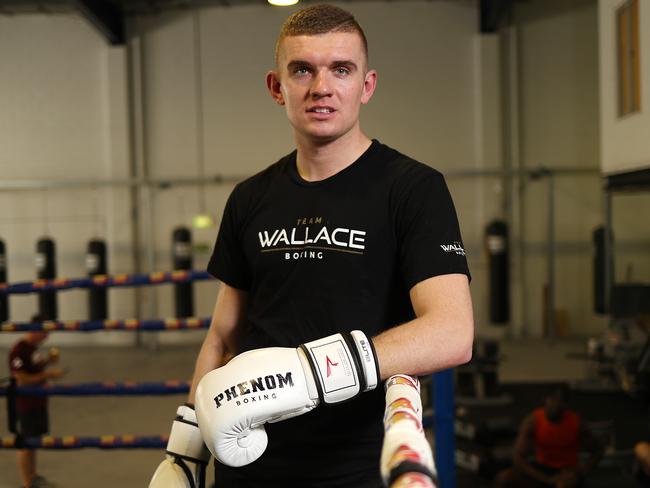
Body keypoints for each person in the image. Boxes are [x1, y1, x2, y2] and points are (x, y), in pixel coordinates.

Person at [149, 4, 473, 487]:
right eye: (302, 69)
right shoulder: (251, 196)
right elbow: (222, 337)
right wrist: (187, 450)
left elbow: (452, 331)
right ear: (277, 87)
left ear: (367, 85)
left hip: (355, 466)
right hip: (249, 460)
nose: (321, 87)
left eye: (341, 69)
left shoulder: (412, 189)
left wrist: (310, 372)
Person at [495, 386, 603, 488]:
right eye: (552, 400)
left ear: (564, 404)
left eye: (559, 401)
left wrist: (581, 471)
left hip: (567, 470)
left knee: (563, 485)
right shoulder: (533, 421)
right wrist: (545, 479)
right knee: (504, 478)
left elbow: (598, 450)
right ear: (545, 400)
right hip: (542, 469)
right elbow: (517, 457)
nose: (555, 404)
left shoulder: (577, 422)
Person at [8, 314, 64, 488]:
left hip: (37, 402)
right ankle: (26, 483)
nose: (46, 337)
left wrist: (48, 362)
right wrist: (48, 374)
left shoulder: (34, 349)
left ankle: (32, 477)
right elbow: (21, 378)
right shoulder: (19, 350)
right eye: (44, 333)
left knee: (33, 441)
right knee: (26, 443)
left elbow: (34, 370)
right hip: (26, 404)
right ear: (35, 330)